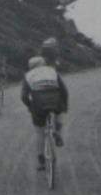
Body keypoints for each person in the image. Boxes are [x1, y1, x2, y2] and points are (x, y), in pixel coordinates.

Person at [21, 39, 70, 171]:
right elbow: (63, 90)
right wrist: (64, 105)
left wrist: (30, 106)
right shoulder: (52, 71)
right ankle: (57, 130)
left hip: (38, 103)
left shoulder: (28, 75)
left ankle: (42, 160)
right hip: (54, 99)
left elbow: (24, 96)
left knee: (39, 132)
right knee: (58, 111)